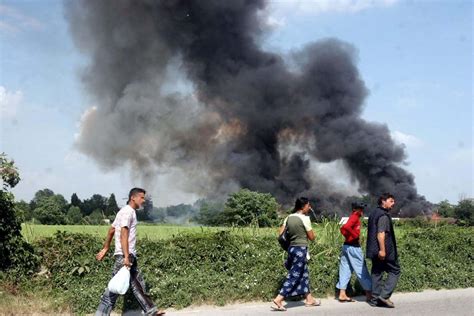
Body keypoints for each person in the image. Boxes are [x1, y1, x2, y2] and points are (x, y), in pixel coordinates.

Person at [95, 188, 165, 316]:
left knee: (136, 284)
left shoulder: (123, 211)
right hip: (125, 255)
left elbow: (111, 230)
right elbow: (123, 233)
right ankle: (101, 314)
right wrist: (126, 256)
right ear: (133, 197)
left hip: (126, 255)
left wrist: (105, 248)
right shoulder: (129, 212)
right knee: (115, 289)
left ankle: (151, 310)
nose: (144, 201)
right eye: (142, 198)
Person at [272, 197, 320, 311]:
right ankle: (278, 299)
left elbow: (280, 234)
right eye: (308, 205)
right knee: (295, 274)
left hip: (291, 249)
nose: (310, 207)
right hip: (301, 249)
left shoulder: (289, 217)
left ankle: (309, 299)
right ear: (303, 207)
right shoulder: (305, 219)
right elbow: (312, 237)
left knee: (304, 273)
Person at [366, 193, 400, 308]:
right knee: (395, 270)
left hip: (373, 250)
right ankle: (384, 296)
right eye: (391, 201)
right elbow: (381, 234)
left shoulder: (373, 213)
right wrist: (382, 250)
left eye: (393, 201)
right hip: (384, 251)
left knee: (377, 272)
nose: (393, 203)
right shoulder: (383, 216)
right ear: (383, 201)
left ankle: (375, 300)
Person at [336, 202, 372, 302]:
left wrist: (348, 236)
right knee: (361, 269)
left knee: (345, 269)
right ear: (357, 210)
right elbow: (346, 227)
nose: (362, 211)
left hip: (346, 246)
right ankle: (369, 294)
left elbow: (343, 228)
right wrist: (354, 235)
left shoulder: (352, 216)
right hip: (354, 247)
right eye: (361, 209)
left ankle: (342, 294)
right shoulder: (355, 216)